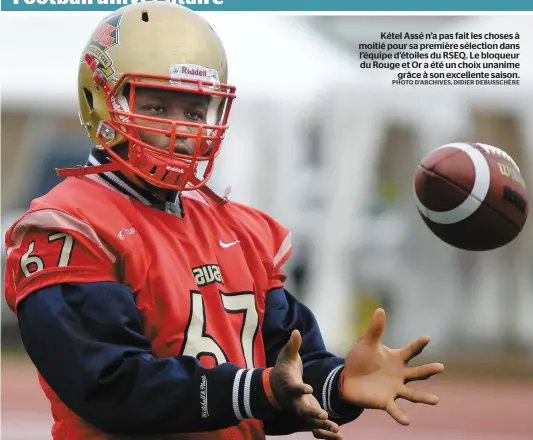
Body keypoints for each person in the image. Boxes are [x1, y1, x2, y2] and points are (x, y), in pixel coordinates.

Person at [4, 3, 444, 439]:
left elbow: (285, 366)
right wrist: (254, 390)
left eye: (195, 112)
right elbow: (112, 386)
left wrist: (338, 383)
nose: (182, 129)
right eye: (158, 107)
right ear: (102, 101)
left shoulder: (239, 230)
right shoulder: (69, 227)